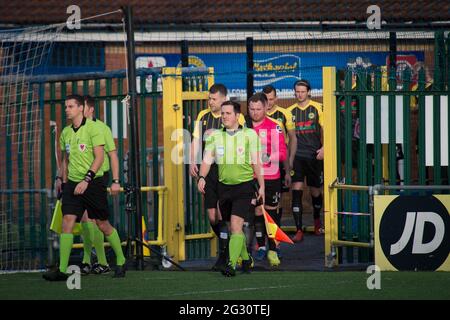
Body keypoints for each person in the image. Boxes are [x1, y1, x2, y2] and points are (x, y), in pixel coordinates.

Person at [43, 94, 126, 281]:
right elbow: (66, 159)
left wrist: (97, 180)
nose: (67, 109)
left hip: (93, 182)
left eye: (71, 106)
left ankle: (120, 260)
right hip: (73, 184)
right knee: (67, 221)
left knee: (102, 224)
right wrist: (62, 181)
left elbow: (100, 157)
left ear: (81, 108)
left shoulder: (95, 129)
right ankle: (63, 269)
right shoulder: (65, 132)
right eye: (66, 106)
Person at [198, 100, 264, 277]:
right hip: (224, 188)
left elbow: (257, 162)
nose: (224, 116)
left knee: (235, 226)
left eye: (228, 113)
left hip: (244, 187)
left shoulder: (249, 135)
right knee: (233, 228)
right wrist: (202, 177)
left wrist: (262, 186)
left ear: (237, 116)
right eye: (222, 113)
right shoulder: (215, 136)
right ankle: (246, 258)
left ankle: (231, 264)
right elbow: (206, 161)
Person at [189, 84, 245, 271]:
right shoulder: (202, 116)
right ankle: (230, 249)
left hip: (227, 170)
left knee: (225, 215)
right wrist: (192, 162)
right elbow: (196, 141)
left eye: (213, 99)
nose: (210, 102)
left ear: (223, 99)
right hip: (209, 170)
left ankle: (226, 254)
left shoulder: (234, 116)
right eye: (209, 99)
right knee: (213, 216)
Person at [76, 95, 121, 274]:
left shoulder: (102, 128)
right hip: (79, 178)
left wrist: (116, 181)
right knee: (85, 219)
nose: (79, 111)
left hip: (98, 178)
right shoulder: (75, 129)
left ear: (90, 109)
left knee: (97, 220)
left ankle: (102, 261)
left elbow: (113, 155)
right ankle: (89, 261)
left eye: (82, 107)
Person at [247, 92, 287, 267]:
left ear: (266, 107)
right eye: (252, 109)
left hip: (271, 176)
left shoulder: (275, 126)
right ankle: (261, 246)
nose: (255, 112)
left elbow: (283, 154)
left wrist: (268, 155)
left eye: (258, 109)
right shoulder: (243, 127)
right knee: (256, 212)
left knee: (271, 213)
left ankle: (273, 248)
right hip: (250, 177)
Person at [288, 80, 324, 242]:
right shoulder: (289, 111)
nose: (300, 94)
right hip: (297, 157)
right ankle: (298, 230)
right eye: (297, 91)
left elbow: (327, 129)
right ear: (294, 92)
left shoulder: (318, 108)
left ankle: (317, 223)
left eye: (303, 91)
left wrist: (324, 148)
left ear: (309, 92)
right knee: (296, 190)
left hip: (314, 156)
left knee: (315, 191)